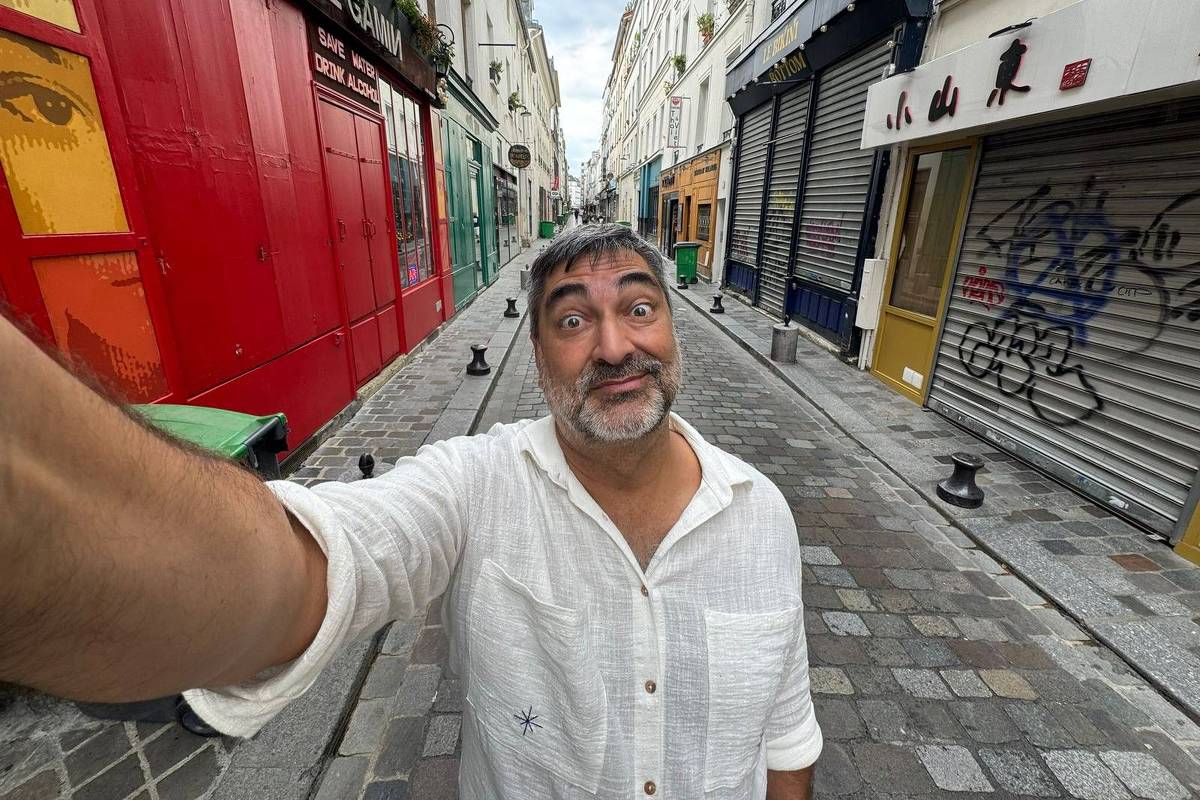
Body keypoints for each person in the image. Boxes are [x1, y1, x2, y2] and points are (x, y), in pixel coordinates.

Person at [0, 224, 821, 799]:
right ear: (535, 356)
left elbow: (785, 739)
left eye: (638, 308)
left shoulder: (763, 516)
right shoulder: (478, 486)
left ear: (675, 332)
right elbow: (326, 563)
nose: (612, 346)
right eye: (573, 319)